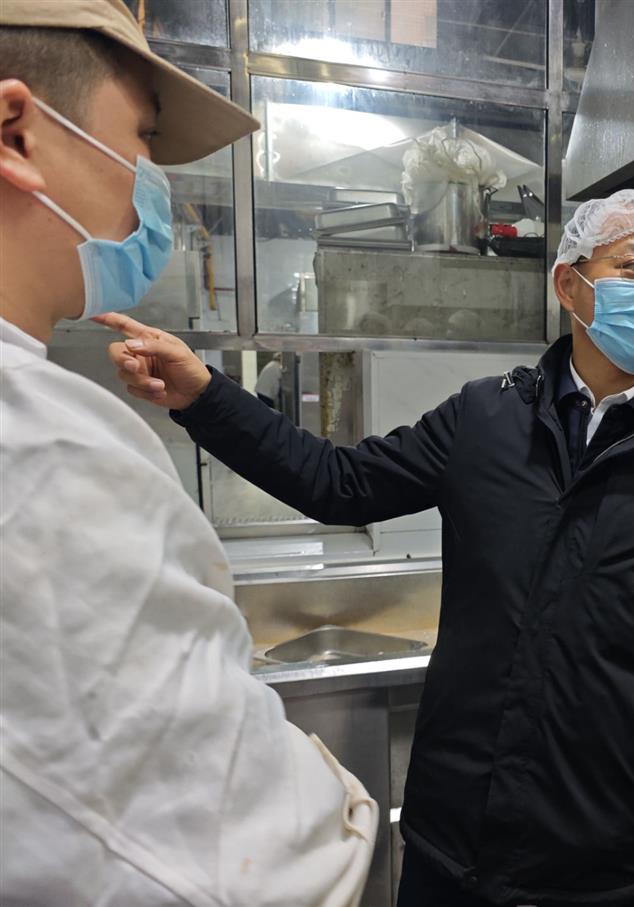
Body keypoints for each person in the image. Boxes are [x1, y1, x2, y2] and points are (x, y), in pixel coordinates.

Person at [100, 188, 634, 906]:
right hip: (457, 826)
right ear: (569, 286)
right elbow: (338, 483)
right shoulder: (484, 418)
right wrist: (206, 397)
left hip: (599, 838)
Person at [0, 2, 377, 904]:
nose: (152, 187)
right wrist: (341, 802)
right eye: (142, 137)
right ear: (17, 133)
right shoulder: (43, 450)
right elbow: (251, 864)